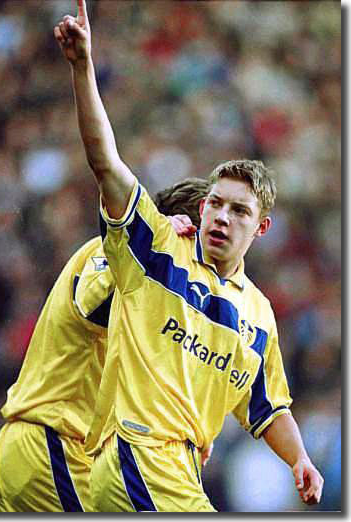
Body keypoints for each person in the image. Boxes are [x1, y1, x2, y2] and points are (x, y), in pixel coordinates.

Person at [54, 0, 324, 512]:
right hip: (139, 454)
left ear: (261, 227)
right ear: (202, 209)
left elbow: (267, 407)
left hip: (178, 469)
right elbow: (105, 163)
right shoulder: (157, 250)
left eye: (239, 212)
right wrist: (83, 67)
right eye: (215, 205)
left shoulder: (258, 313)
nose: (222, 218)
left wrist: (299, 459)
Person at [0, 178, 210, 512]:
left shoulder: (163, 297)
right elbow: (91, 304)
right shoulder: (114, 254)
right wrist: (150, 249)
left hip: (53, 453)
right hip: (54, 447)